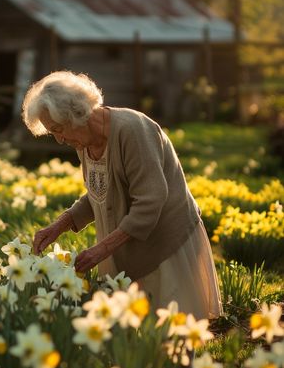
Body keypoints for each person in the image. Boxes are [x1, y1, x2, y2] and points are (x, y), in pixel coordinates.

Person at [22, 70, 222, 320]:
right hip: (127, 248)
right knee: (137, 340)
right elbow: (99, 193)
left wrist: (100, 250)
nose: (60, 140)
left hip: (165, 245)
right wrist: (60, 225)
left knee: (172, 335)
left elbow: (150, 202)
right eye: (53, 133)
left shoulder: (132, 130)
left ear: (76, 114)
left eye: (59, 129)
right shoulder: (84, 141)